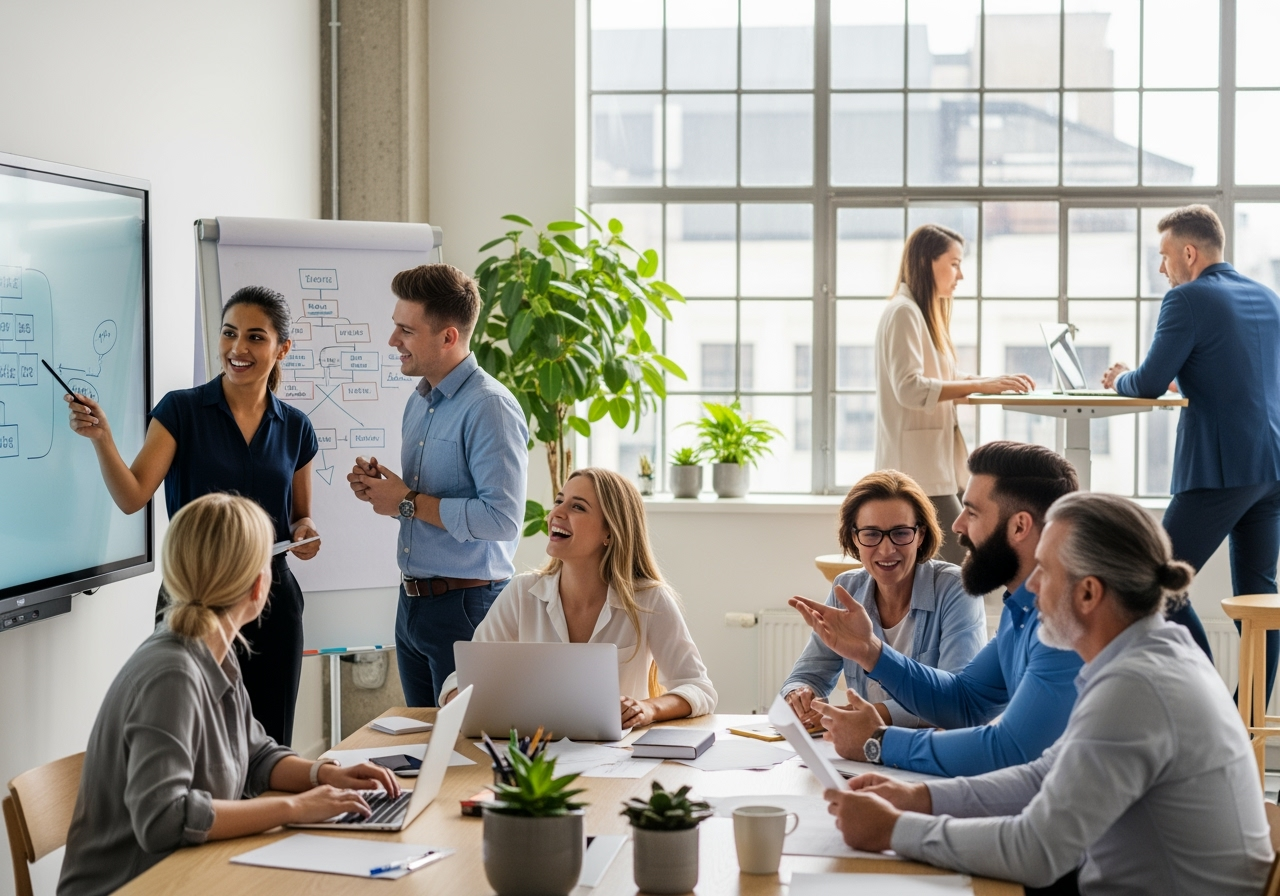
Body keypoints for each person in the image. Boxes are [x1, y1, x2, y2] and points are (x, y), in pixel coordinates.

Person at [826, 492, 1274, 895]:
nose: (1032, 586)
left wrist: (894, 830)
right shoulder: (1144, 656)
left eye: (1045, 570)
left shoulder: (1135, 687)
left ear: (1088, 593)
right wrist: (919, 799)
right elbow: (1044, 775)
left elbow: (1037, 850)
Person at [58, 494, 398, 896]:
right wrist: (294, 808)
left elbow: (256, 755)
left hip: (192, 873)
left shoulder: (215, 649)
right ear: (258, 586)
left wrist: (324, 775)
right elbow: (164, 820)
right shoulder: (172, 673)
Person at [66, 285, 320, 746]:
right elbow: (132, 496)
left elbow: (301, 518)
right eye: (229, 333)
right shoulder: (181, 410)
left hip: (271, 601)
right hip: (193, 599)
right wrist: (103, 439)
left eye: (255, 338)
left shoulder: (297, 427)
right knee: (185, 738)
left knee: (269, 744)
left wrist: (306, 532)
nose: (237, 349)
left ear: (282, 348)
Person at [790, 441, 1082, 777]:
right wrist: (871, 651)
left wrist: (879, 743)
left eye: (971, 512)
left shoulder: (1066, 623)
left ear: (1019, 526)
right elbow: (963, 701)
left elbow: (1007, 749)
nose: (957, 525)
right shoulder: (1021, 612)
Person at [1103, 204, 1280, 698]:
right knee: (1259, 598)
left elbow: (1148, 384)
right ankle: (1243, 728)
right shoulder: (1267, 297)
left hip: (1220, 468)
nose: (1162, 269)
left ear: (1188, 252)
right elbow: (1241, 372)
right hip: (1271, 468)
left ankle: (1208, 702)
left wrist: (1119, 377)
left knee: (1152, 579)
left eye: (1164, 257)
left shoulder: (1188, 300)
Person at [348, 264, 528, 707]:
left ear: (448, 337)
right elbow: (420, 500)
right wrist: (385, 492)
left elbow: (502, 519)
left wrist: (406, 502)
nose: (393, 341)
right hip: (412, 604)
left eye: (405, 330)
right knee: (423, 747)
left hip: (466, 608)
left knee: (465, 753)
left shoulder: (490, 408)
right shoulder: (420, 401)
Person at [439, 468, 716, 725]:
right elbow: (461, 680)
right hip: (535, 752)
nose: (555, 513)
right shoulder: (522, 593)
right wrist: (462, 700)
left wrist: (648, 709)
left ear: (610, 530)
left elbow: (699, 688)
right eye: (559, 501)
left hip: (620, 760)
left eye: (577, 507)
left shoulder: (649, 600)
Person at [876, 224, 1036, 564]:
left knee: (955, 559)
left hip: (937, 465)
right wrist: (980, 386)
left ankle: (945, 618)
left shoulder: (920, 313)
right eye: (954, 263)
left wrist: (992, 383)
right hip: (916, 469)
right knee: (961, 560)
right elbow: (909, 387)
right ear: (926, 262)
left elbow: (944, 379)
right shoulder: (903, 312)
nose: (960, 275)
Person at [781, 470, 986, 730]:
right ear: (855, 537)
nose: (887, 549)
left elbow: (956, 700)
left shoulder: (955, 588)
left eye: (900, 533)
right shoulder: (846, 588)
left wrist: (862, 715)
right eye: (871, 534)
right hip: (865, 752)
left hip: (930, 753)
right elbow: (807, 674)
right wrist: (798, 695)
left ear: (920, 535)